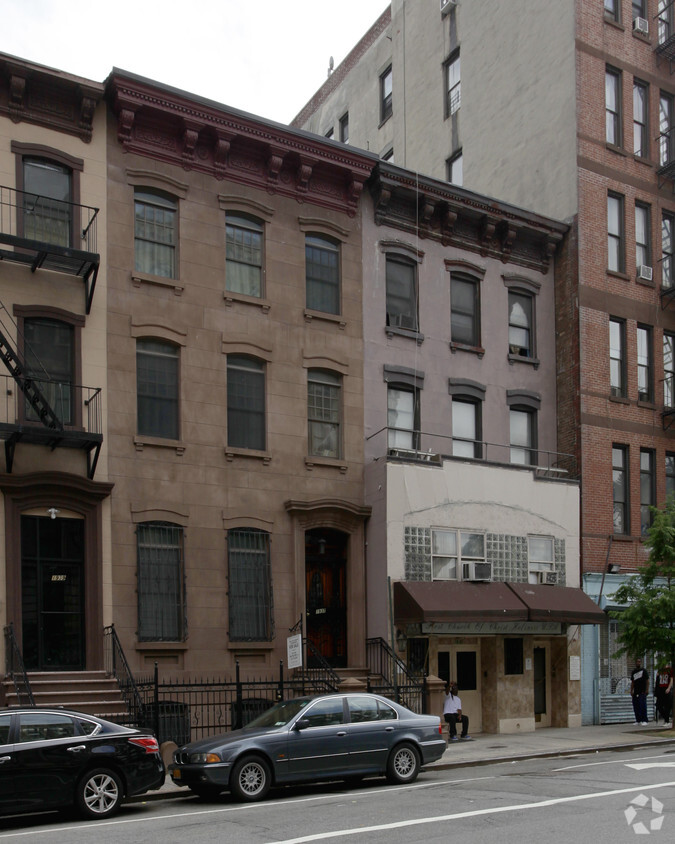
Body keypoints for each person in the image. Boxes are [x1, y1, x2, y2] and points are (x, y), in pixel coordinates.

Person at [630, 658, 649, 725]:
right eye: (637, 661)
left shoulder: (644, 671)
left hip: (642, 691)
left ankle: (645, 720)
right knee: (636, 706)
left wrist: (647, 689)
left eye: (639, 662)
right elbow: (632, 682)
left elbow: (647, 681)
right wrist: (631, 690)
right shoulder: (634, 672)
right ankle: (638, 720)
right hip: (636, 691)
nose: (638, 663)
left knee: (642, 705)